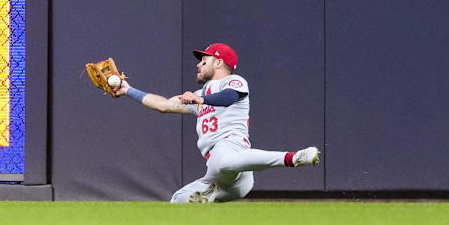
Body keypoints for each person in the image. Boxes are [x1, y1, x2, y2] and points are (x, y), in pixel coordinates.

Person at [114, 43, 320, 203]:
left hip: (233, 151)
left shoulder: (233, 81)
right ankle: (211, 193)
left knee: (224, 161)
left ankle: (293, 157)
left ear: (219, 63)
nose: (198, 64)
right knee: (179, 200)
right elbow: (164, 105)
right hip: (222, 177)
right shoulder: (198, 96)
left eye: (204, 60)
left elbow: (229, 97)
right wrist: (128, 90)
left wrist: (201, 100)